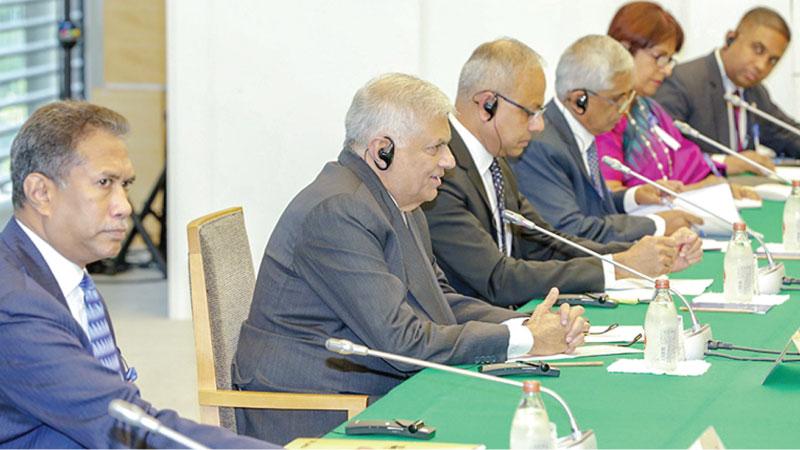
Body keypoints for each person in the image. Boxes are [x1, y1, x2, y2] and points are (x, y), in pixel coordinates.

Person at [233, 73, 588, 445]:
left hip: (371, 384)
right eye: (435, 148)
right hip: (318, 407)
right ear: (382, 151)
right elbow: (401, 344)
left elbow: (440, 300)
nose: (449, 162)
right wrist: (522, 339)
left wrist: (527, 322)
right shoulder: (339, 212)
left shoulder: (402, 203)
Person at [0, 101, 275, 448]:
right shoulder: (15, 304)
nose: (125, 206)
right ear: (41, 192)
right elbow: (123, 427)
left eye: (125, 184)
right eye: (104, 183)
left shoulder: (64, 273)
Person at [422, 38, 702, 308]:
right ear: (487, 105)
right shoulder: (442, 172)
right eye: (529, 112)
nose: (538, 125)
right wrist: (620, 268)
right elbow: (498, 278)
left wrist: (638, 254)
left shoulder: (496, 159)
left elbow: (548, 242)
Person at [509, 35, 703, 244]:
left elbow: (592, 207)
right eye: (618, 100)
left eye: (628, 98)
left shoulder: (579, 133)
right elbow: (573, 231)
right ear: (578, 100)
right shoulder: (541, 147)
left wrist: (633, 197)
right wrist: (657, 224)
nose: (625, 109)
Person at [597, 1, 759, 200]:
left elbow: (690, 161)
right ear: (624, 49)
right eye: (659, 58)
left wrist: (715, 183)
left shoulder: (649, 109)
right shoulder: (603, 116)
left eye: (669, 60)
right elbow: (610, 196)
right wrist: (700, 191)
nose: (667, 70)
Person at [654, 6, 799, 173]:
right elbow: (663, 151)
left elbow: (788, 134)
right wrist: (725, 162)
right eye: (758, 49)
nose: (761, 66)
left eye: (772, 60)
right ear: (731, 38)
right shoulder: (684, 81)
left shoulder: (756, 92)